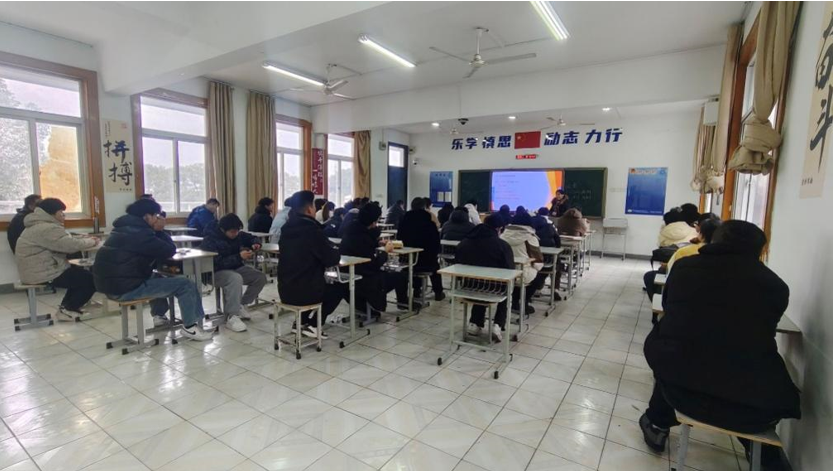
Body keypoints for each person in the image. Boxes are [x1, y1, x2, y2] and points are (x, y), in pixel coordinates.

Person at [640, 221, 799, 470]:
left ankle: (657, 422)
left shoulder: (685, 268)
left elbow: (668, 306)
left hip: (680, 387)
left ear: (711, 240)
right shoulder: (775, 287)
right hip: (752, 402)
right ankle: (763, 456)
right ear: (760, 250)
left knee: (671, 343)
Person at [93, 199, 213, 341]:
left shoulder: (122, 229)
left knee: (156, 277)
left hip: (109, 287)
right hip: (126, 289)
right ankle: (190, 327)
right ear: (147, 216)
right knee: (186, 284)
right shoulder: (140, 234)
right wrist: (160, 231)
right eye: (156, 215)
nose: (157, 219)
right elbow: (169, 250)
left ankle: (159, 316)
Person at [15, 198, 99, 321]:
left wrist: (84, 240)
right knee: (91, 280)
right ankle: (69, 308)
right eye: (61, 212)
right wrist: (91, 241)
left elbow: (63, 242)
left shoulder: (38, 225)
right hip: (42, 273)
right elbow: (70, 246)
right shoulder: (47, 228)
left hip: (37, 270)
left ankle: (66, 308)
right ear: (52, 213)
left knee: (80, 276)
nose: (63, 216)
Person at [278, 191, 342, 338]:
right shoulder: (312, 231)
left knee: (308, 281)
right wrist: (335, 250)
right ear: (309, 209)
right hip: (306, 292)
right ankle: (314, 325)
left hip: (285, 290)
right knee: (338, 288)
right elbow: (331, 259)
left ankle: (300, 323)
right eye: (313, 206)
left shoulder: (286, 229)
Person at [200, 214, 267, 332]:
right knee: (235, 278)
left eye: (237, 231)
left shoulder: (238, 235)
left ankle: (241, 304)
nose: (235, 234)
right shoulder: (210, 240)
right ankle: (232, 317)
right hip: (214, 272)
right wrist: (239, 257)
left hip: (235, 267)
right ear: (222, 229)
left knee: (259, 277)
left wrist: (255, 244)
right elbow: (216, 263)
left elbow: (251, 237)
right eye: (232, 232)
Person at [340, 202, 410, 313]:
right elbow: (374, 264)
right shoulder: (364, 237)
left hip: (348, 275)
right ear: (373, 222)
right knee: (400, 275)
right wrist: (385, 252)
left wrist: (377, 243)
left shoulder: (351, 230)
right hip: (365, 279)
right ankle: (403, 303)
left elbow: (362, 246)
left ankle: (365, 307)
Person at [456, 214, 514, 342]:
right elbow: (510, 271)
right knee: (507, 287)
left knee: (481, 283)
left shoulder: (464, 242)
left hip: (467, 288)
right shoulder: (502, 245)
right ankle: (498, 324)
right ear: (499, 228)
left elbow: (457, 264)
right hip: (494, 290)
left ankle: (474, 323)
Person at [397, 197, 445, 302]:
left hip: (407, 261)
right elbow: (436, 243)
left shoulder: (403, 222)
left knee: (414, 262)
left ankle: (417, 290)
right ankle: (438, 292)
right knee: (435, 266)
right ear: (424, 207)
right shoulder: (430, 223)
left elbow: (399, 239)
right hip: (427, 261)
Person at [502, 208, 545, 314]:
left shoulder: (502, 236)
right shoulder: (530, 238)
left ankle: (514, 301)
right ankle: (523, 302)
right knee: (537, 278)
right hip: (523, 273)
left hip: (504, 273)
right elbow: (538, 261)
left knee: (518, 278)